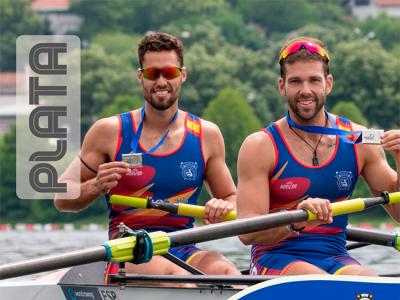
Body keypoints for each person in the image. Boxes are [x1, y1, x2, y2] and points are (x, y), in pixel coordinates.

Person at [54, 32, 240, 277]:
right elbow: (61, 197)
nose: (161, 81)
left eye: (169, 73)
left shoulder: (206, 134)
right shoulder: (109, 131)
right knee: (178, 278)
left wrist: (222, 205)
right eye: (153, 74)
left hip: (184, 248)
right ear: (140, 77)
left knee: (227, 273)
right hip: (130, 249)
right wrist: (96, 185)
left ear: (182, 75)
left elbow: (231, 196)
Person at [237, 37, 400, 276]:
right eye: (296, 82)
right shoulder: (259, 146)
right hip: (274, 256)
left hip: (336, 256)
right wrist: (297, 220)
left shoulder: (361, 140)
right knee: (320, 284)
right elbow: (247, 233)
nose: (305, 90)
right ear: (282, 86)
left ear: (328, 84)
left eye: (314, 80)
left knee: (372, 286)